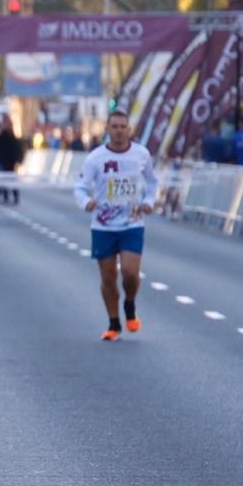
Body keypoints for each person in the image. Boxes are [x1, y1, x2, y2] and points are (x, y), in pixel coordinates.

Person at [73, 110, 158, 342]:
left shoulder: (141, 154)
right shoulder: (95, 158)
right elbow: (80, 187)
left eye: (123, 127)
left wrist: (149, 201)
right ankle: (113, 323)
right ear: (107, 130)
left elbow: (152, 181)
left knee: (130, 273)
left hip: (132, 222)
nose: (119, 131)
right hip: (103, 225)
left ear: (129, 130)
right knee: (108, 277)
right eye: (115, 127)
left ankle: (129, 304)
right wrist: (86, 202)